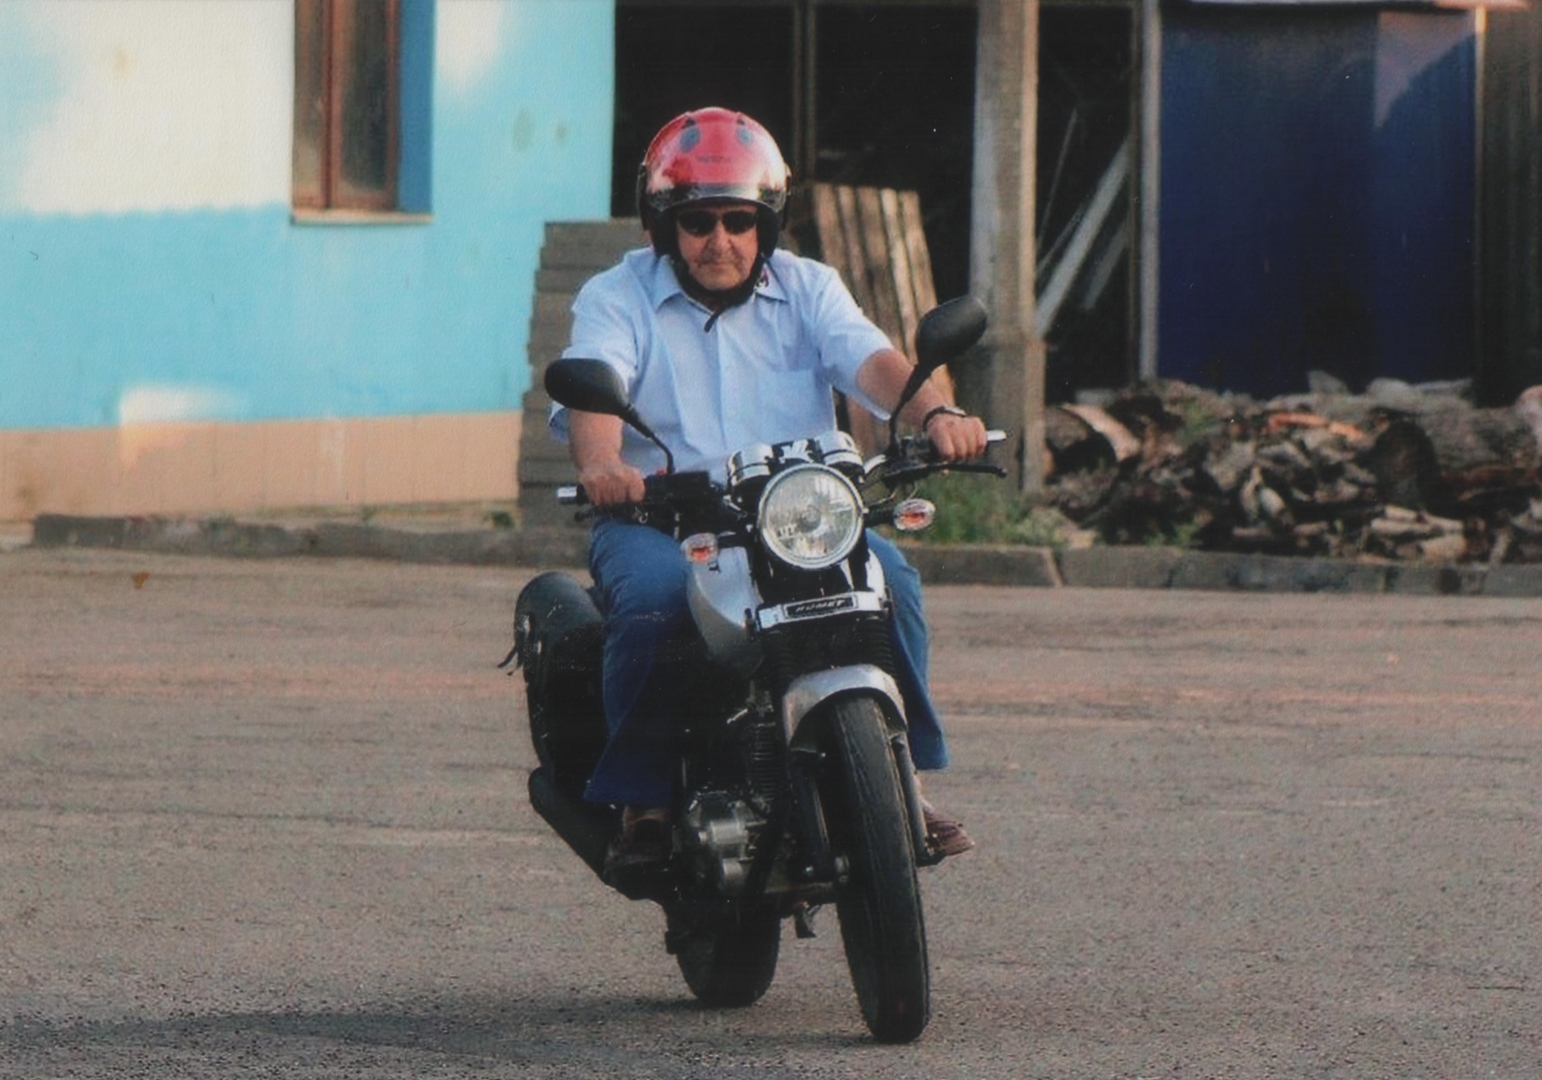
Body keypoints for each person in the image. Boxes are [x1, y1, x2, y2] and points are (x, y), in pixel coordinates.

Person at [550, 107, 988, 874]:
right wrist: (602, 465)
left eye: (738, 221)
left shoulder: (810, 287)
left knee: (894, 584)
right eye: (697, 222)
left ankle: (900, 783)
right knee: (653, 604)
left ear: (767, 225)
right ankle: (644, 802)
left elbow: (871, 361)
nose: (718, 240)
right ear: (664, 227)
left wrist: (937, 414)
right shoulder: (617, 295)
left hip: (798, 517)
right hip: (660, 518)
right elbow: (597, 380)